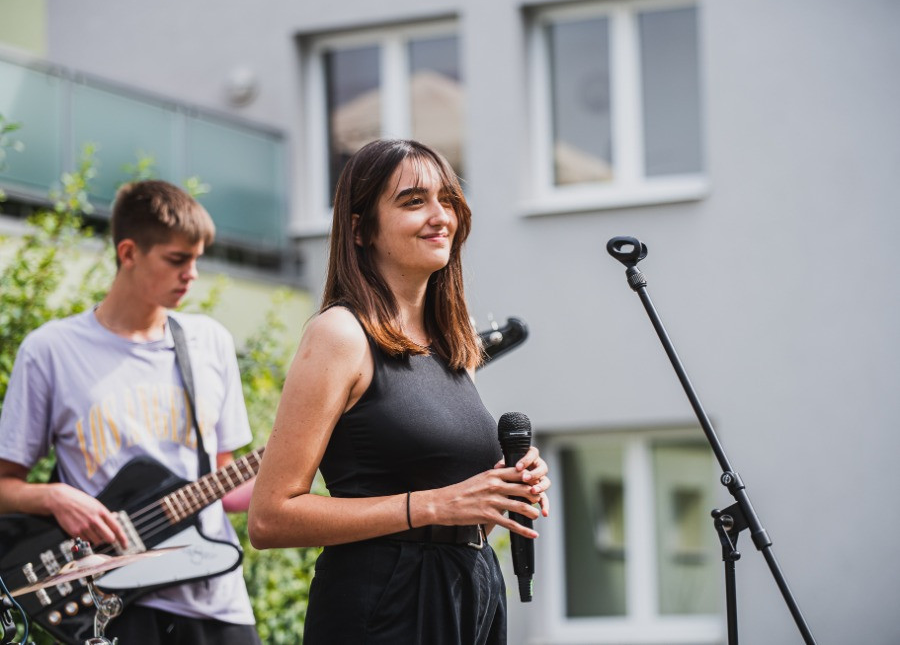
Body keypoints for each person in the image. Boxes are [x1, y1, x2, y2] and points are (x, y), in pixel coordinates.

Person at [248, 138, 551, 644]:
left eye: (447, 199)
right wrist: (436, 505)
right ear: (360, 228)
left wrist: (500, 492)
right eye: (414, 201)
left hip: (469, 590)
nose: (441, 216)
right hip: (384, 603)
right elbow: (270, 517)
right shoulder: (340, 334)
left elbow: (454, 513)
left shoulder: (453, 344)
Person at [0, 180, 261, 644]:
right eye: (177, 259)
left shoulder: (211, 342)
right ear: (128, 252)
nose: (192, 274)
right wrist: (54, 496)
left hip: (216, 598)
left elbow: (226, 482)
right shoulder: (51, 351)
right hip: (110, 603)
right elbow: (4, 487)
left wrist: (299, 464)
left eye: (197, 259)